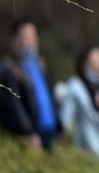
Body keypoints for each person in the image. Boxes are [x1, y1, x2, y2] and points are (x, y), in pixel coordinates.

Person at [0, 19, 60, 150]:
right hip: (31, 139)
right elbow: (14, 106)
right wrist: (27, 133)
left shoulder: (41, 66)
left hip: (50, 133)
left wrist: (59, 128)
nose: (31, 42)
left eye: (34, 37)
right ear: (14, 40)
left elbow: (51, 99)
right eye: (26, 38)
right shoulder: (8, 70)